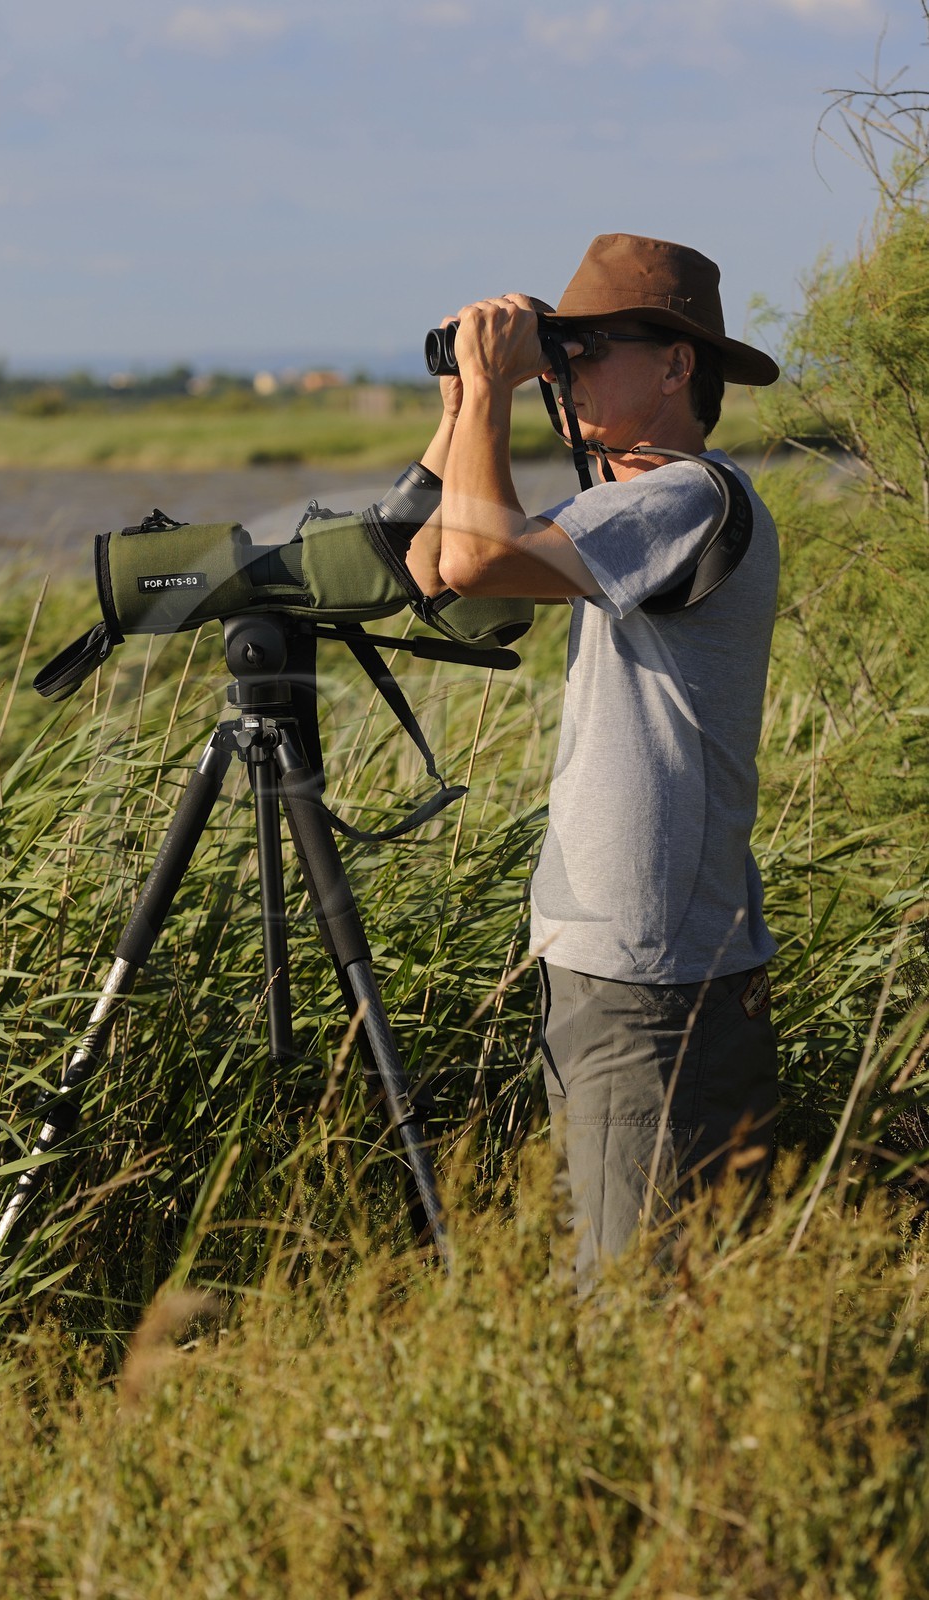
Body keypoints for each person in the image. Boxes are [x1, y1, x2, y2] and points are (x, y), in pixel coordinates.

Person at [406, 233, 781, 1292]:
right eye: (558, 351)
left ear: (676, 365)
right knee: (624, 1275)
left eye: (590, 349)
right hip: (610, 953)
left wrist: (494, 386)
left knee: (638, 1294)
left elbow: (473, 552)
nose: (563, 373)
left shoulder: (688, 497)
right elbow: (433, 568)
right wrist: (460, 405)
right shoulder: (621, 505)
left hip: (658, 965)